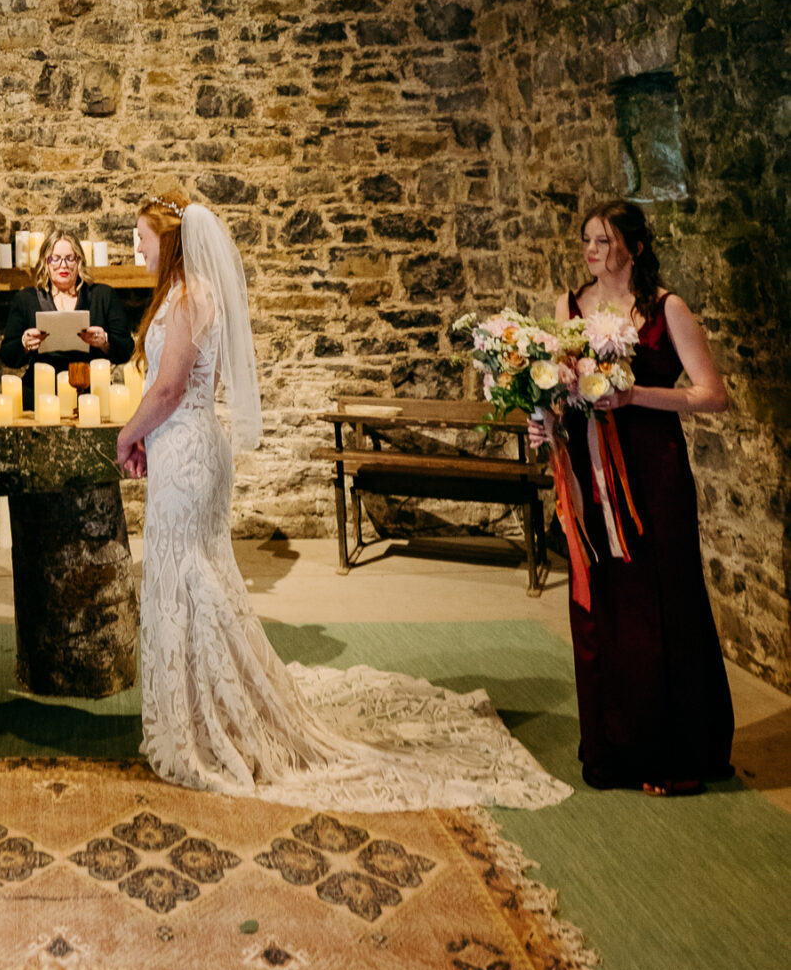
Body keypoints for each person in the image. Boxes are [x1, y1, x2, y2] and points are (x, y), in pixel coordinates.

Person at [115, 191, 569, 810]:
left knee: (190, 578)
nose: (134, 246)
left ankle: (211, 717)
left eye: (140, 236)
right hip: (190, 445)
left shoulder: (190, 293)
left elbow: (168, 389)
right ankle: (204, 705)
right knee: (195, 575)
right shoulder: (197, 292)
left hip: (186, 448)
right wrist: (149, 434)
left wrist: (128, 433)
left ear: (166, 239)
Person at [551, 199, 733, 794]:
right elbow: (557, 389)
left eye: (603, 241)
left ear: (634, 246)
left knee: (664, 596)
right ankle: (615, 746)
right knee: (606, 598)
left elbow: (712, 395)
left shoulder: (665, 309)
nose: (591, 251)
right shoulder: (570, 308)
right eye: (587, 241)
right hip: (591, 467)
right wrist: (544, 419)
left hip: (653, 467)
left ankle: (679, 754)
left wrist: (636, 398)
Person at [0, 226, 135, 411]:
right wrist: (25, 343)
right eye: (55, 258)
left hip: (90, 395)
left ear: (79, 261)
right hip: (40, 395)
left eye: (70, 258)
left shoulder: (102, 295)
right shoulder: (27, 299)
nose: (63, 265)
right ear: (45, 262)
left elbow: (126, 349)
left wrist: (105, 342)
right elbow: (7, 354)